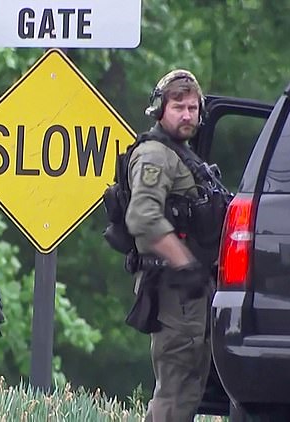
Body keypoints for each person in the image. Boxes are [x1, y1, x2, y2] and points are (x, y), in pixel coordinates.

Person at [125, 70, 216, 421]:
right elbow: (142, 217)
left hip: (190, 293)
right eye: (179, 106)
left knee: (188, 388)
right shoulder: (155, 155)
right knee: (175, 390)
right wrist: (186, 265)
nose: (187, 115)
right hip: (173, 290)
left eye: (193, 108)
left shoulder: (182, 155)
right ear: (160, 109)